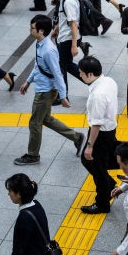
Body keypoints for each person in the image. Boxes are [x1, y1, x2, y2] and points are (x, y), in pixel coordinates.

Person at [17, 15, 85, 165]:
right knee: (46, 119)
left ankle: (33, 155)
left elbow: (58, 74)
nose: (30, 30)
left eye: (32, 28)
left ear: (41, 31)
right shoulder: (39, 43)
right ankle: (77, 137)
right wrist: (28, 81)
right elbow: (38, 65)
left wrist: (63, 96)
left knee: (35, 123)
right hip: (41, 87)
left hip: (45, 92)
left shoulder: (48, 50)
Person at [78, 56, 119, 214]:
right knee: (89, 161)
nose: (79, 75)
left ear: (89, 74)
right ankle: (109, 184)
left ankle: (102, 203)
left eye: (81, 73)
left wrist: (89, 145)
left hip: (101, 134)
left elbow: (96, 123)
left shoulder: (97, 95)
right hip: (109, 130)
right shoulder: (108, 81)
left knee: (97, 167)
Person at [3, 173, 50, 255]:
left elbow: (18, 251)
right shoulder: (37, 205)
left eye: (10, 191)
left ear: (19, 194)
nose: (8, 194)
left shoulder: (24, 219)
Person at [46, 0, 84, 101]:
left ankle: (63, 96)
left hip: (68, 40)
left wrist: (74, 45)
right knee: (66, 65)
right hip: (65, 37)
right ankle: (92, 80)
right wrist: (56, 29)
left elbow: (73, 23)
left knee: (61, 66)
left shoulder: (69, 1)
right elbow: (64, 18)